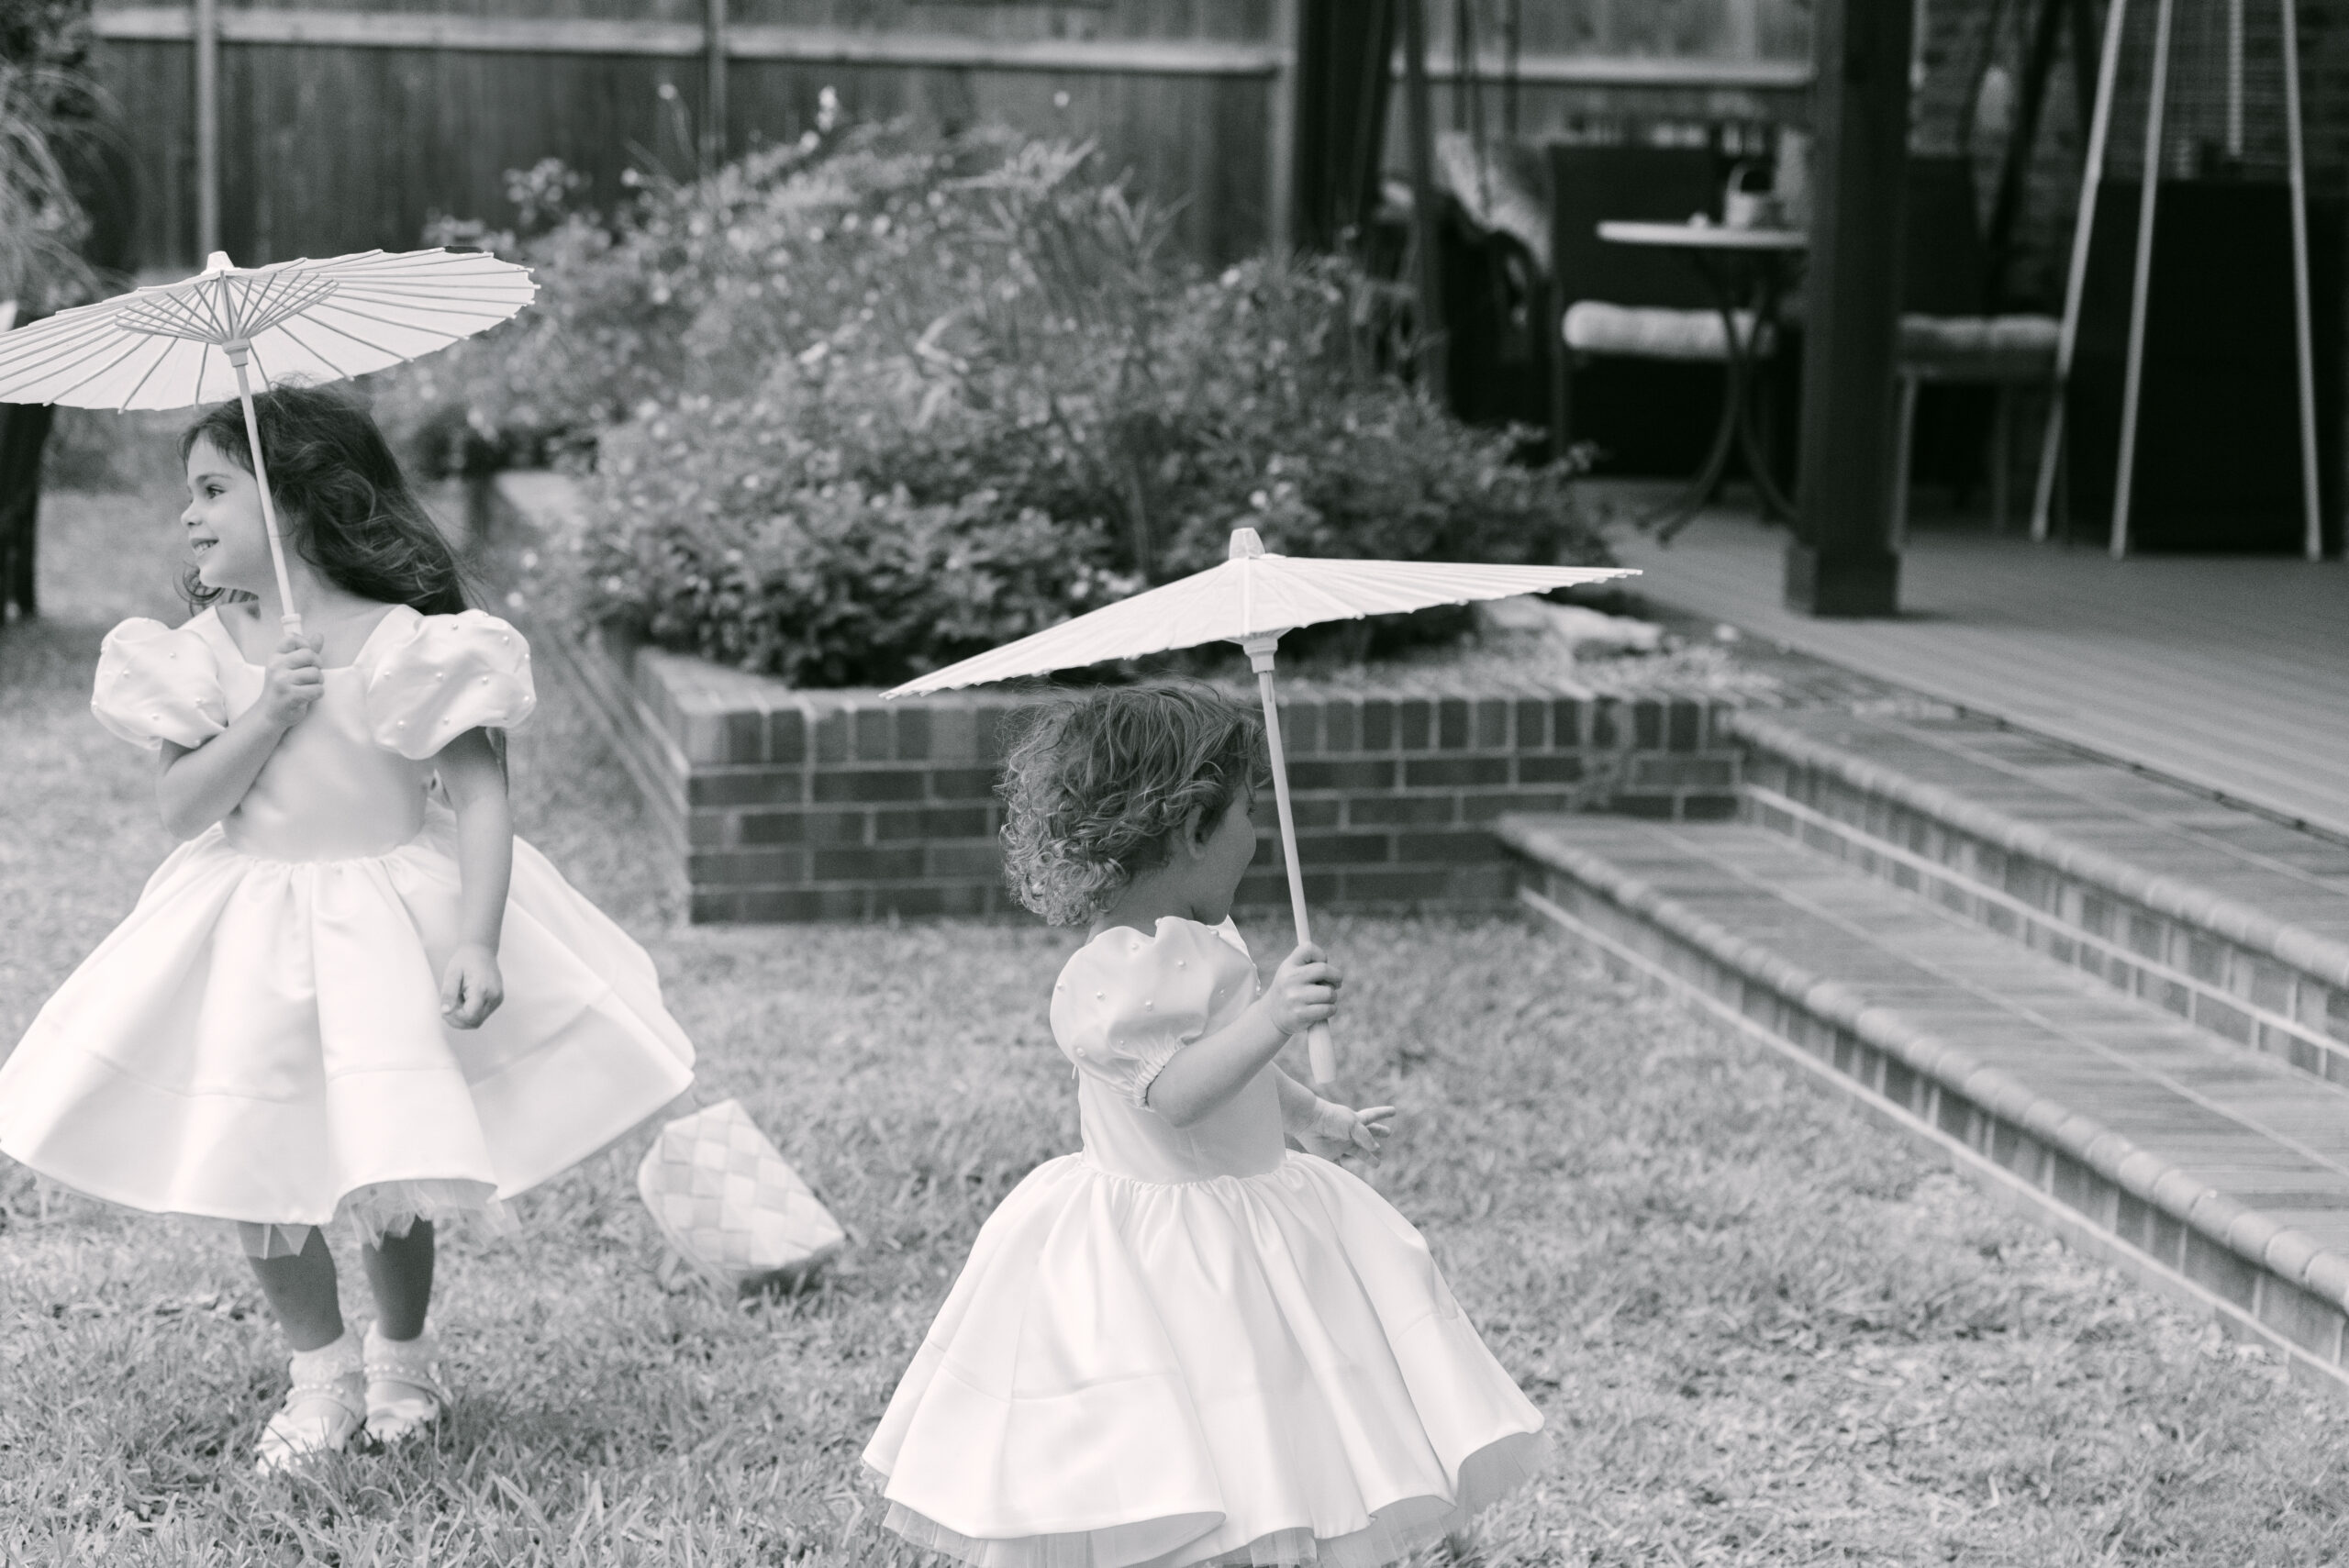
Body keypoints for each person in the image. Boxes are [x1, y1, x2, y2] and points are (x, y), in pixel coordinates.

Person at [0, 384, 696, 1472]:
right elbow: (184, 808)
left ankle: (402, 1357)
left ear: (302, 499)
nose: (188, 515)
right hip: (253, 927)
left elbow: (480, 796)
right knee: (261, 1153)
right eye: (188, 493)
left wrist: (474, 937)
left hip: (385, 923)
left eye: (215, 488)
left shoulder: (411, 643)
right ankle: (318, 1368)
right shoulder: (203, 650)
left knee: (392, 1151)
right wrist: (267, 710)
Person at [863, 683, 1544, 1568]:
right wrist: (1276, 1018)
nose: (1258, 834)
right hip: (1165, 1243)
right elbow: (1178, 1090)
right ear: (1190, 830)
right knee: (1195, 1405)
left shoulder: (1210, 943)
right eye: (1246, 813)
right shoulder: (1106, 974)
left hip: (1254, 1218)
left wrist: (1316, 1114)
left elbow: (1239, 1070)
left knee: (1274, 1398)